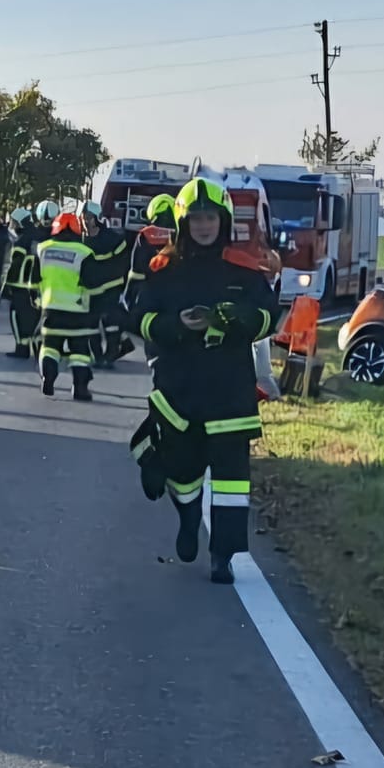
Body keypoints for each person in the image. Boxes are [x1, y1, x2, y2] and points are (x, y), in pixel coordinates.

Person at [124, 177, 277, 583]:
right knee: (182, 471)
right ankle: (189, 516)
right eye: (196, 218)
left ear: (222, 220)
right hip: (179, 388)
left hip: (228, 388)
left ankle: (222, 555)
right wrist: (177, 324)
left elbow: (267, 317)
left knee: (230, 478)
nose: (204, 225)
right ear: (183, 222)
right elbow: (139, 319)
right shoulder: (163, 269)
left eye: (210, 217)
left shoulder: (243, 268)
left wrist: (237, 318)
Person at [35, 209, 100, 400]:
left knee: (50, 347)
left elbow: (34, 279)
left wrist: (36, 300)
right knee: (79, 352)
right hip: (78, 311)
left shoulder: (42, 249)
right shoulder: (85, 252)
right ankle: (80, 389)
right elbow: (92, 284)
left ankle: (48, 376)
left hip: (51, 309)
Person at [79, 205, 133, 367]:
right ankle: (99, 356)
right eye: (83, 217)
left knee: (111, 323)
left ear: (97, 218)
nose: (85, 221)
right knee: (90, 325)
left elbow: (123, 261)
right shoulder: (78, 239)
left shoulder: (112, 239)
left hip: (111, 286)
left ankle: (110, 355)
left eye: (89, 217)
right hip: (88, 289)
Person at [4, 204, 44, 358]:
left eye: (12, 221)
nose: (11, 225)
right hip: (38, 285)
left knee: (17, 317)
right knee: (32, 317)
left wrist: (7, 287)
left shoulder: (21, 240)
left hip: (20, 286)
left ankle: (21, 348)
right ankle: (32, 347)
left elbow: (15, 266)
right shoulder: (39, 235)